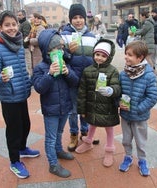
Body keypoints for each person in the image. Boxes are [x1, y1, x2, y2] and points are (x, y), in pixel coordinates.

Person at [0, 10, 40, 179]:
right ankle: (14, 161)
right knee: (14, 130)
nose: (11, 28)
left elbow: (22, 70)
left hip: (21, 94)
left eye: (14, 24)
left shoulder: (18, 45)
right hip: (9, 97)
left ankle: (23, 149)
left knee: (25, 125)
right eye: (7, 25)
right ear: (0, 27)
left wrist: (30, 81)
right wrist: (0, 78)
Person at [32, 29, 78, 178]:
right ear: (47, 50)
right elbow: (39, 88)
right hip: (51, 110)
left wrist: (67, 73)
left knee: (59, 132)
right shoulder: (40, 68)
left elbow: (75, 81)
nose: (60, 51)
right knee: (51, 137)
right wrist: (49, 74)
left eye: (62, 48)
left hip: (65, 106)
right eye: (56, 49)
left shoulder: (64, 62)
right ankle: (53, 164)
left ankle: (58, 150)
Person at [75, 38, 121, 167]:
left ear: (109, 56)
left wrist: (111, 90)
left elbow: (117, 87)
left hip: (107, 107)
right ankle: (88, 142)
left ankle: (109, 150)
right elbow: (82, 91)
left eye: (103, 56)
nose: (99, 58)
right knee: (92, 123)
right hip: (91, 105)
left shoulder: (113, 71)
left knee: (109, 128)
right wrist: (82, 109)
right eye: (97, 54)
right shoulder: (87, 70)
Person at [61, 3, 98, 152]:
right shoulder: (64, 35)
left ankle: (85, 132)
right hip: (71, 78)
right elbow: (59, 56)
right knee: (73, 109)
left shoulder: (92, 36)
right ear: (70, 19)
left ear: (85, 19)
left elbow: (97, 57)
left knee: (86, 107)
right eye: (74, 17)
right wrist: (68, 52)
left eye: (80, 17)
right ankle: (73, 134)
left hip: (87, 79)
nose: (78, 20)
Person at [118, 41, 157, 176]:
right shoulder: (123, 74)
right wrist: (119, 103)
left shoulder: (148, 75)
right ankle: (128, 156)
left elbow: (152, 96)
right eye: (126, 54)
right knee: (126, 139)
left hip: (140, 116)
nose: (126, 57)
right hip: (125, 115)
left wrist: (138, 109)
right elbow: (118, 92)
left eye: (129, 55)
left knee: (141, 141)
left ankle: (142, 160)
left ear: (140, 57)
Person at [17, 10, 32, 74]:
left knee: (28, 64)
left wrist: (23, 45)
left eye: (20, 15)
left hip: (25, 47)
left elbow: (26, 36)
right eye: (18, 15)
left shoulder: (25, 23)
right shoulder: (21, 23)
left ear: (24, 15)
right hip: (21, 47)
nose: (18, 16)